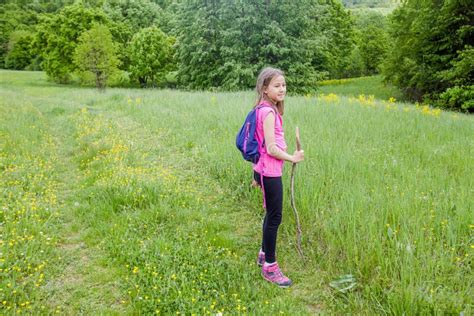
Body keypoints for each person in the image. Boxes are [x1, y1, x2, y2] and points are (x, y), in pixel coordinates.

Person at [252, 67, 304, 288]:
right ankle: (270, 267)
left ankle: (264, 254)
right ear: (265, 89)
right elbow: (271, 148)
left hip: (264, 169)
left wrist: (256, 173)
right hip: (270, 171)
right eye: (276, 85)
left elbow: (260, 145)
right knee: (274, 218)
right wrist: (292, 157)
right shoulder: (268, 113)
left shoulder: (264, 109)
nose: (282, 89)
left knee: (270, 214)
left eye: (283, 85)